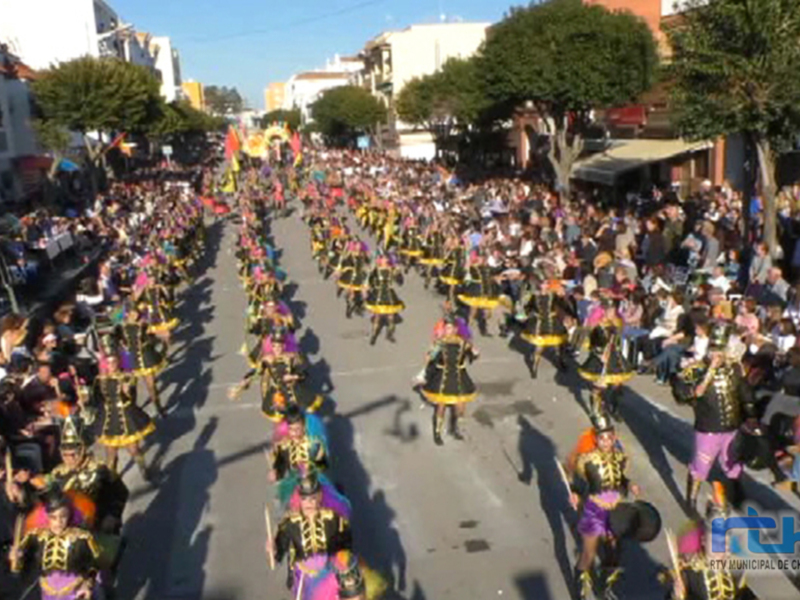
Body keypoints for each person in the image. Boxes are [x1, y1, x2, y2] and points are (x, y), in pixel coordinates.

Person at [671, 323, 756, 515]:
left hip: (732, 428)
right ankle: (691, 500)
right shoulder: (695, 370)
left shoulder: (734, 369)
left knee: (732, 463)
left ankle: (737, 494)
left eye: (721, 350)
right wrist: (698, 385)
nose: (717, 354)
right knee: (701, 466)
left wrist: (751, 417)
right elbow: (680, 393)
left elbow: (745, 393)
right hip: (708, 428)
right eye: (714, 349)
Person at [568, 415, 640, 600]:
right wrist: (574, 493)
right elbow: (576, 482)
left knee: (614, 550)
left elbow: (621, 479)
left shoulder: (620, 457)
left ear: (614, 437)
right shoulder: (587, 460)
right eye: (602, 438)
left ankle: (603, 585)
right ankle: (579, 586)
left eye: (609, 438)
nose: (606, 442)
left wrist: (630, 484)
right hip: (593, 509)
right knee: (589, 553)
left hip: (614, 510)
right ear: (596, 439)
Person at [267, 473, 353, 592]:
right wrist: (274, 548)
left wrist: (343, 562)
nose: (309, 503)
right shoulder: (290, 524)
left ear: (320, 497)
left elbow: (345, 545)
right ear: (299, 499)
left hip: (329, 577)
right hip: (303, 579)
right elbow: (280, 550)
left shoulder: (333, 519)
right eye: (305, 499)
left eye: (313, 498)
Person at [10, 491, 101, 600]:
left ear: (69, 516)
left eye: (63, 516)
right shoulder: (35, 537)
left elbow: (95, 565)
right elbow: (20, 569)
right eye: (53, 517)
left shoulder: (82, 538)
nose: (59, 522)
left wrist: (87, 585)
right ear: (47, 517)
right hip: (47, 593)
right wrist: (17, 558)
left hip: (75, 592)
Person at [93, 352, 155, 478]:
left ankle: (143, 468)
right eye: (108, 363)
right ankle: (112, 479)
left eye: (114, 362)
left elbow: (132, 399)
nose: (111, 365)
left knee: (133, 449)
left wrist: (127, 392)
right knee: (111, 454)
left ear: (118, 363)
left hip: (125, 416)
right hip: (109, 418)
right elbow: (96, 399)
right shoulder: (99, 380)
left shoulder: (127, 377)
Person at [420, 314, 480, 445]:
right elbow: (430, 358)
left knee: (461, 407)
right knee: (441, 406)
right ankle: (437, 432)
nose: (449, 330)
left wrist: (475, 353)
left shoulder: (463, 343)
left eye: (451, 328)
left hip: (459, 376)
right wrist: (429, 357)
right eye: (446, 328)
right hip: (443, 376)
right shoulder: (439, 343)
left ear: (455, 329)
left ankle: (456, 429)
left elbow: (472, 355)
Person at [520, 279, 569, 379]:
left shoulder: (553, 295)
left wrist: (563, 298)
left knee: (558, 345)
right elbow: (528, 307)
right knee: (539, 347)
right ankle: (534, 368)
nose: (545, 285)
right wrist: (532, 313)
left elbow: (562, 305)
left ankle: (560, 362)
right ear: (540, 285)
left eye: (547, 284)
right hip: (540, 323)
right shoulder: (534, 296)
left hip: (552, 322)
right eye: (543, 284)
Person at [364, 252, 404, 345]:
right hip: (379, 294)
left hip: (389, 295)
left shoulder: (392, 270)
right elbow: (369, 281)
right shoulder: (376, 270)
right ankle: (374, 335)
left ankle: (389, 334)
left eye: (385, 258)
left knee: (391, 317)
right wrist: (368, 288)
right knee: (377, 316)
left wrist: (398, 273)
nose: (384, 260)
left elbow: (400, 282)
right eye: (382, 258)